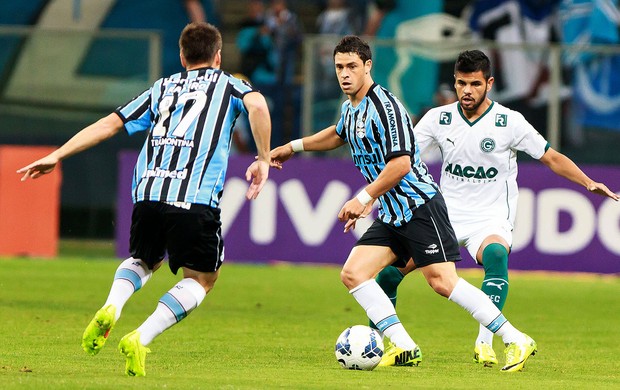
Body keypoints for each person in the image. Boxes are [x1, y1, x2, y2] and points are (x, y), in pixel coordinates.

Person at [17, 22, 271, 377]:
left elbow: (110, 124)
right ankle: (140, 336)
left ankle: (112, 305)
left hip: (148, 194)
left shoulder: (162, 87)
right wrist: (262, 158)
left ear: (183, 57)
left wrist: (58, 154)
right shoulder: (231, 84)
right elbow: (258, 105)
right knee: (201, 279)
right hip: (193, 199)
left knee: (144, 259)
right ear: (218, 56)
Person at [270, 35, 537, 372]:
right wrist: (292, 147)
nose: (344, 74)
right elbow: (339, 133)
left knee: (441, 281)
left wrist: (364, 197)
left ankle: (515, 338)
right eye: (339, 67)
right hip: (394, 212)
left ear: (368, 66)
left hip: (420, 205)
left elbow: (402, 164)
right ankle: (405, 346)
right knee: (354, 273)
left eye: (352, 66)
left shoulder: (386, 106)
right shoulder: (350, 107)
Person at [372, 49, 619, 367]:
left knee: (496, 255)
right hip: (443, 216)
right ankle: (380, 344)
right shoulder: (438, 118)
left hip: (490, 217)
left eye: (474, 84)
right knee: (388, 276)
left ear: (489, 83)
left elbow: (551, 157)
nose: (467, 91)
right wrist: (374, 193)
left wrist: (587, 182)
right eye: (461, 83)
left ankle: (484, 343)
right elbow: (403, 159)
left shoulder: (509, 122)